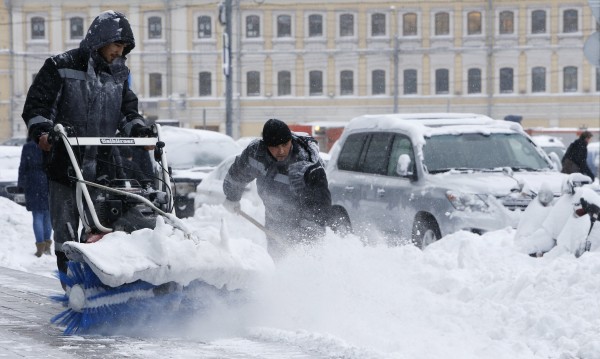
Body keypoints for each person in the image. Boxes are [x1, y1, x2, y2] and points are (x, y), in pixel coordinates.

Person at [21, 10, 154, 286]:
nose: (119, 51)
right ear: (102, 39)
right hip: (66, 162)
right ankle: (72, 287)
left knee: (105, 225)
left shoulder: (119, 73)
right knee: (66, 229)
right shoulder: (61, 66)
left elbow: (127, 111)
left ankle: (104, 282)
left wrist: (139, 129)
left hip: (104, 164)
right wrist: (44, 132)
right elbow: (38, 106)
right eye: (116, 44)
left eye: (124, 48)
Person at [223, 118, 331, 258]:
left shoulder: (306, 164)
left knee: (304, 261)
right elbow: (237, 174)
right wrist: (232, 197)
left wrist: (306, 235)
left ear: (290, 141)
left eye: (285, 144)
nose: (281, 150)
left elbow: (320, 204)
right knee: (277, 259)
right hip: (275, 217)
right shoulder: (256, 153)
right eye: (274, 146)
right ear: (266, 145)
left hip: (304, 220)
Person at [18, 137, 53, 257]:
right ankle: (47, 247)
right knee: (48, 215)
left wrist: (21, 184)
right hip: (48, 180)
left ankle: (40, 247)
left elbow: (23, 165)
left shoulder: (28, 146)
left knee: (37, 215)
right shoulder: (49, 144)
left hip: (32, 182)